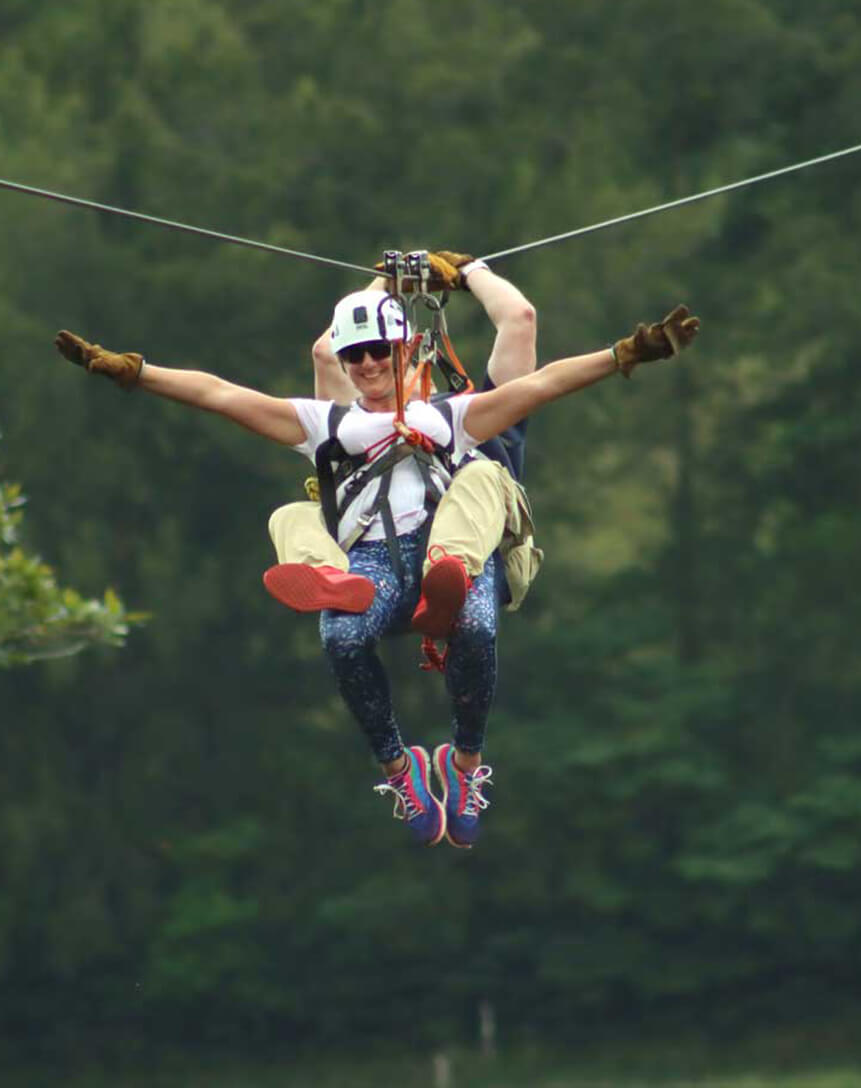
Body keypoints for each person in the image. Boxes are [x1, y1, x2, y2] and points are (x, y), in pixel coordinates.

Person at [54, 286, 699, 850]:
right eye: (353, 355)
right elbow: (221, 395)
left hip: (452, 551)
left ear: (404, 351)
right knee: (338, 627)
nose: (364, 365)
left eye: (377, 352)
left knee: (475, 622)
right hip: (372, 563)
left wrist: (624, 354)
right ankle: (401, 769)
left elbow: (540, 384)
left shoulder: (448, 417)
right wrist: (134, 373)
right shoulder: (325, 425)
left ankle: (465, 764)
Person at [264, 252, 542, 646]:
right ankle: (331, 577)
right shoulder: (357, 429)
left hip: (470, 574)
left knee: (480, 480)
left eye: (387, 356)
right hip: (375, 570)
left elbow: (520, 319)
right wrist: (390, 282)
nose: (376, 370)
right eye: (364, 360)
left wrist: (469, 270)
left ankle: (448, 574)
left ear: (410, 355)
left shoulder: (481, 418)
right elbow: (329, 352)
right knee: (292, 517)